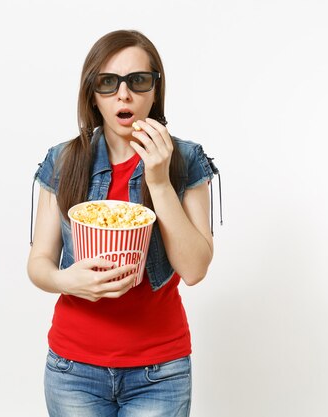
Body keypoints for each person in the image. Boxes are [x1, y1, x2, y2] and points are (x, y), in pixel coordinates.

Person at [27, 29, 218, 417]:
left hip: (159, 371)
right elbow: (39, 262)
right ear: (92, 94)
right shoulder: (63, 162)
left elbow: (195, 269)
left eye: (138, 81)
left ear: (155, 90)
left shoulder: (185, 159)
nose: (124, 95)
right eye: (108, 82)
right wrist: (67, 281)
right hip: (73, 369)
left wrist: (160, 181)